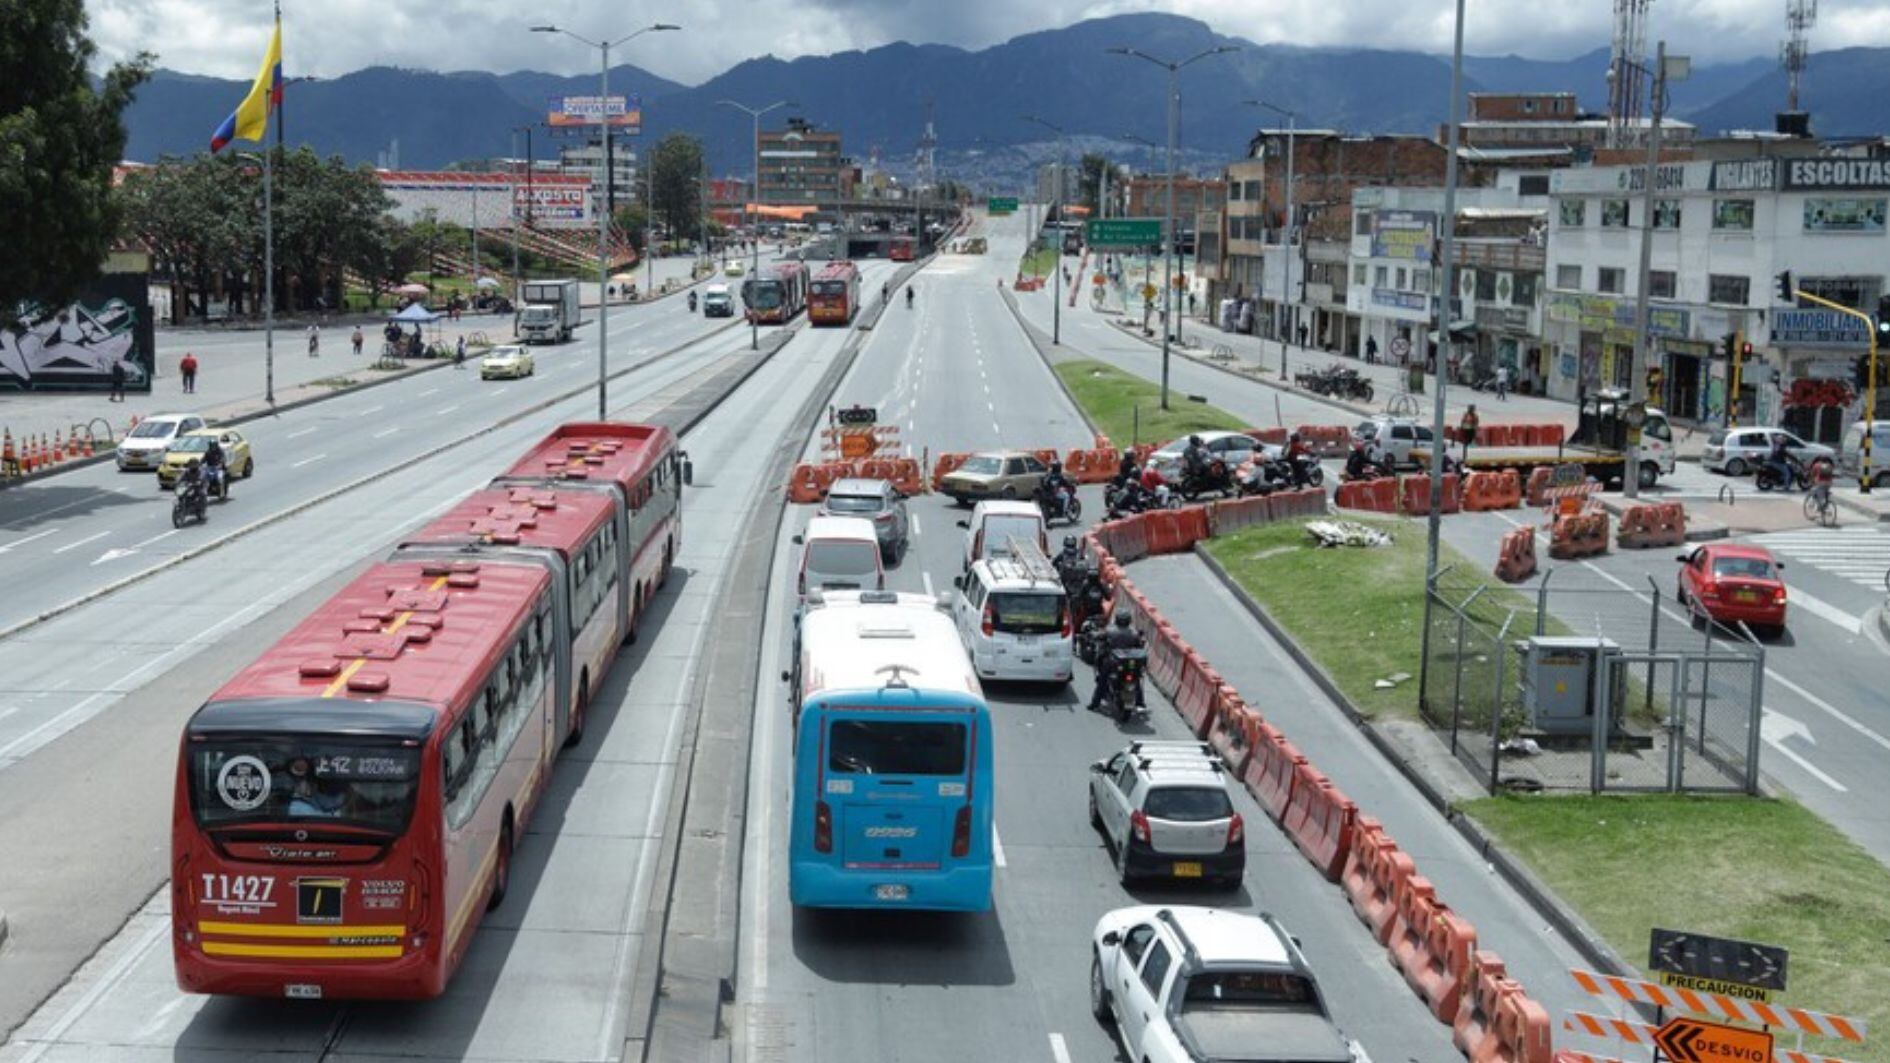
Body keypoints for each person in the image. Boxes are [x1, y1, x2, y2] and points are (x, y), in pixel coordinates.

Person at [1088, 612, 1147, 713]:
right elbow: (1140, 645)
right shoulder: (1134, 633)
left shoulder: (1110, 631)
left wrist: (1092, 633)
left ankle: (1095, 703)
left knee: (1102, 679)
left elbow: (1098, 636)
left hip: (1113, 662)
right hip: (1130, 663)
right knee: (1136, 679)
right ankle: (1140, 702)